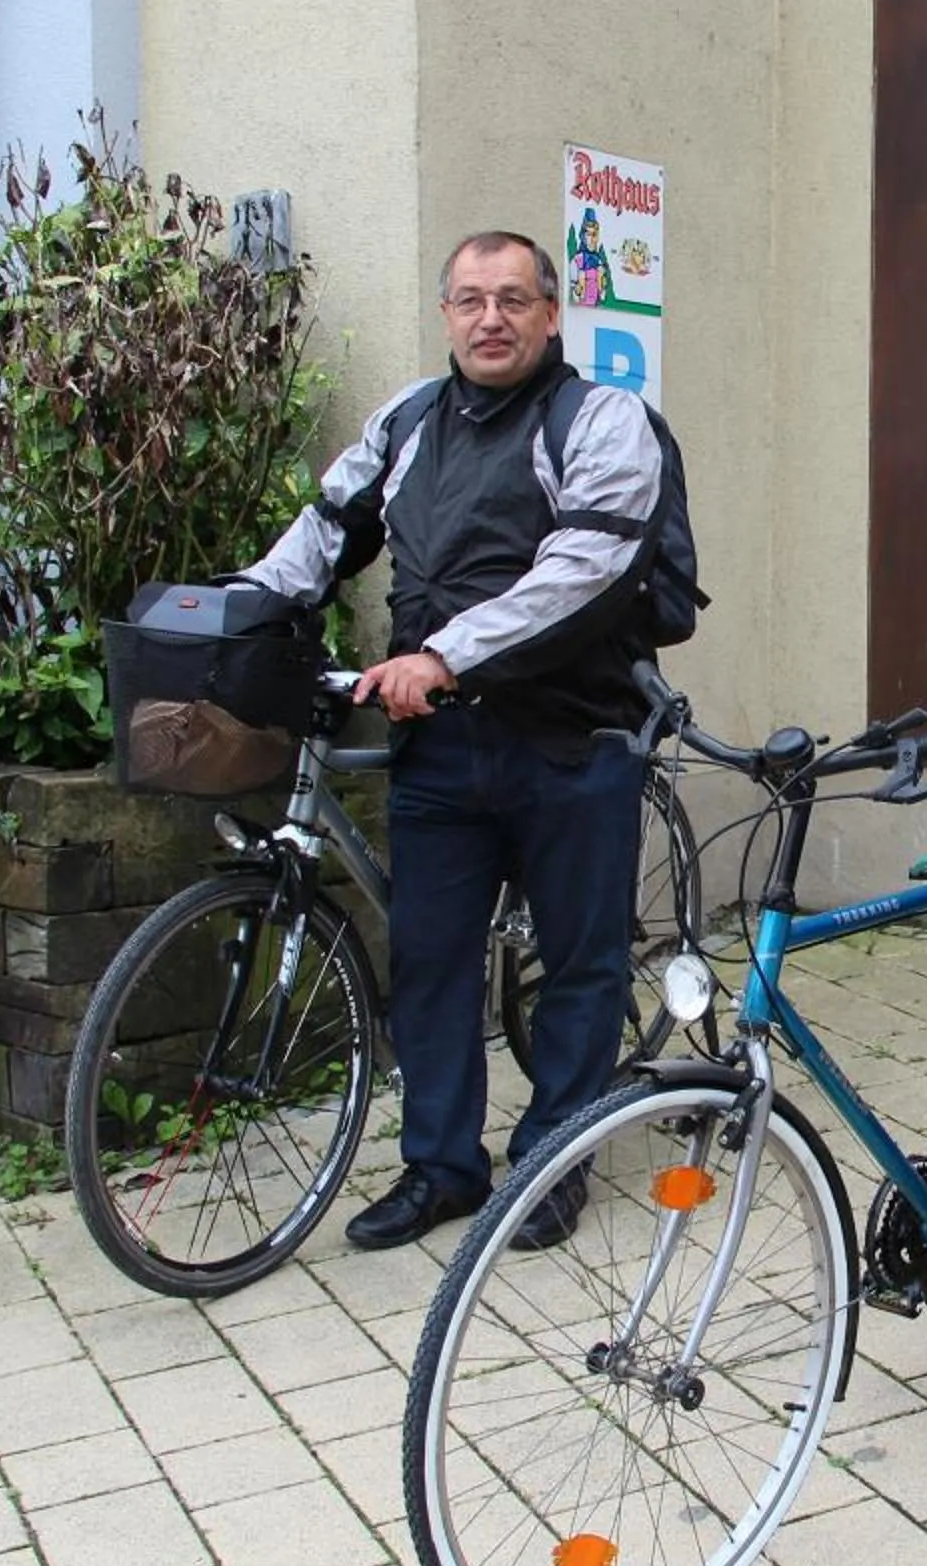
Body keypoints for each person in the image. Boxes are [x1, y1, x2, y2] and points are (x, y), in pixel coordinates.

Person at [238, 230, 663, 1250]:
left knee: (579, 962)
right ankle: (441, 1167)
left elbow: (584, 567)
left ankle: (554, 1159)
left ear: (552, 314)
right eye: (470, 299)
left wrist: (445, 654)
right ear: (446, 315)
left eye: (514, 298)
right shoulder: (411, 419)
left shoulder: (603, 420)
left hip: (572, 740)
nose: (491, 318)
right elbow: (329, 526)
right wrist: (241, 607)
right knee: (429, 960)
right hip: (441, 750)